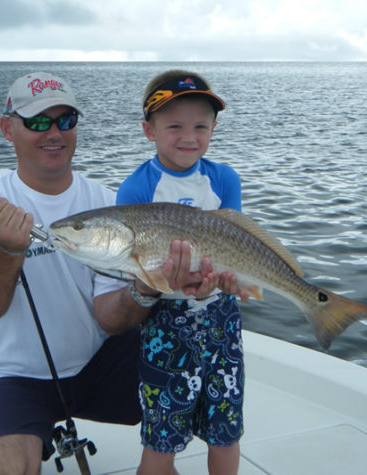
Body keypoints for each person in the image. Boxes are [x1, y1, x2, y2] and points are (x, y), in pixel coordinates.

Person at [0, 71, 230, 474]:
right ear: (8, 129)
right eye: (38, 121)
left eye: (66, 120)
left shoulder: (107, 202)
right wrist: (8, 250)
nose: (54, 133)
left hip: (100, 364)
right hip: (12, 378)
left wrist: (146, 288)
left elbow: (110, 319)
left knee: (210, 385)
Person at [116, 70, 246, 475]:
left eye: (200, 126)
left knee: (226, 431)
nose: (188, 136)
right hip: (165, 326)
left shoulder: (224, 178)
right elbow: (133, 268)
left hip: (222, 319)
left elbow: (238, 245)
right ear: (148, 130)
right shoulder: (136, 191)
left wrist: (231, 280)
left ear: (213, 129)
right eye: (174, 125)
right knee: (162, 436)